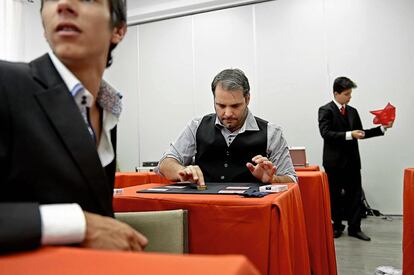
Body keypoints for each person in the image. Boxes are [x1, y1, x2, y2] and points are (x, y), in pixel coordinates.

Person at [0, 0, 147, 252]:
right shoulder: (5, 84)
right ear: (44, 27)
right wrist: (78, 224)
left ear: (118, 29)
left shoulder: (108, 108)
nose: (64, 4)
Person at [158, 68, 297, 186]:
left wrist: (273, 179)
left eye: (235, 106)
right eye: (221, 106)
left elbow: (291, 180)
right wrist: (181, 171)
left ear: (247, 99)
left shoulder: (272, 133)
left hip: (251, 211)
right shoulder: (197, 126)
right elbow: (165, 164)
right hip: (204, 208)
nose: (228, 113)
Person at [318, 76, 393, 241]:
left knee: (354, 195)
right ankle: (336, 226)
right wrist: (349, 134)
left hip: (352, 161)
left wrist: (381, 128)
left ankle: (355, 228)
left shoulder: (352, 111)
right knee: (335, 195)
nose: (349, 97)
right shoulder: (325, 110)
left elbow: (360, 133)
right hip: (334, 162)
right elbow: (326, 134)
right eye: (346, 94)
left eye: (350, 94)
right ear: (336, 93)